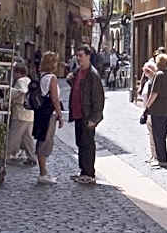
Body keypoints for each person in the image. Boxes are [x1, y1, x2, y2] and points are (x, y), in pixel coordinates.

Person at [67, 44, 105, 184]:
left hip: (87, 115)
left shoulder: (92, 75)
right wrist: (70, 79)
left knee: (88, 144)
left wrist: (94, 118)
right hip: (78, 114)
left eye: (81, 56)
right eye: (77, 56)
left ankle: (89, 173)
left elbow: (98, 99)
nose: (78, 58)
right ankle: (83, 171)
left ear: (88, 56)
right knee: (80, 143)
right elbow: (79, 89)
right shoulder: (78, 71)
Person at [32, 52, 64, 184]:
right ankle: (43, 173)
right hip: (48, 113)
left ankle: (43, 172)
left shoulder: (42, 76)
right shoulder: (52, 78)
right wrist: (60, 115)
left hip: (40, 113)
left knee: (41, 140)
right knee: (45, 141)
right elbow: (55, 99)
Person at [145, 53, 167, 167]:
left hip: (158, 109)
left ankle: (160, 159)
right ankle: (164, 157)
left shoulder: (159, 75)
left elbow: (154, 93)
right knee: (163, 134)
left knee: (157, 134)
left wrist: (147, 106)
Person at [7, 63, 37, 166]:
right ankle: (31, 157)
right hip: (30, 114)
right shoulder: (29, 80)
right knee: (27, 138)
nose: (14, 75)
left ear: (19, 72)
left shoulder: (21, 81)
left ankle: (8, 155)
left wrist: (11, 92)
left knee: (14, 135)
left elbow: (23, 91)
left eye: (15, 72)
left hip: (21, 113)